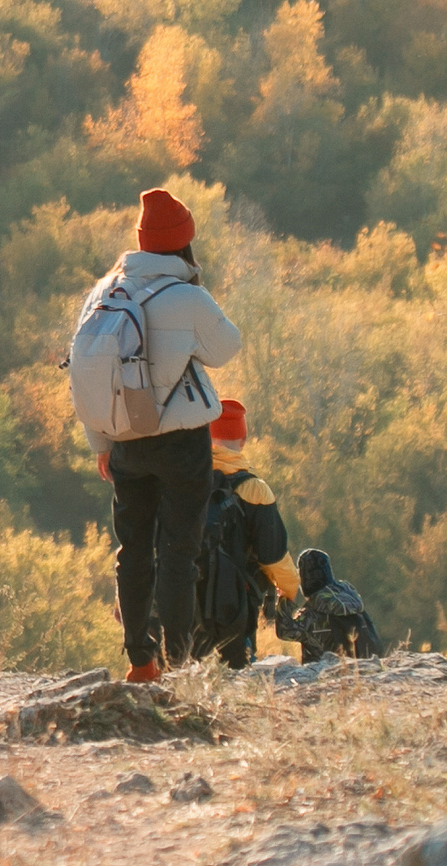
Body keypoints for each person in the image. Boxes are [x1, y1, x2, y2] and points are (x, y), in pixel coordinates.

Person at [75, 188, 242, 683]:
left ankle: (140, 661)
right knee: (178, 552)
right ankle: (179, 662)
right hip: (183, 441)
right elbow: (226, 348)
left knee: (133, 551)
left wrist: (101, 444)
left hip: (125, 437)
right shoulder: (188, 297)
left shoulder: (105, 292)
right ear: (184, 243)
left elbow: (89, 372)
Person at [190, 398, 300, 668]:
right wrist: (290, 591)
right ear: (243, 439)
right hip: (234, 604)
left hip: (184, 595)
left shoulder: (185, 483)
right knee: (235, 672)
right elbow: (273, 557)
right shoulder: (254, 489)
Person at [279, 548, 387, 664]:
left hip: (329, 672)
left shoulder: (312, 615)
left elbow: (284, 631)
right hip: (368, 665)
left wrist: (284, 599)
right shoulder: (352, 603)